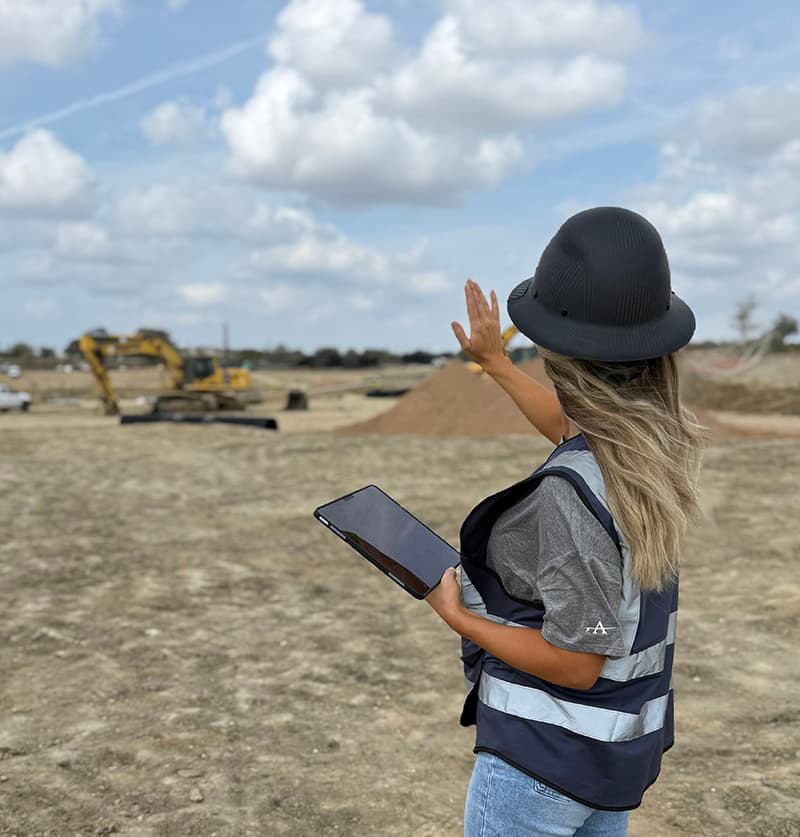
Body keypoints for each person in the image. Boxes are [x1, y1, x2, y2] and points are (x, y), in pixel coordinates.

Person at [425, 207, 710, 836]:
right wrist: (497, 364)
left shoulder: (569, 495)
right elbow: (571, 425)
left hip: (542, 761)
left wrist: (460, 618)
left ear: (557, 356)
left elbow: (576, 659)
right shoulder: (655, 447)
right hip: (611, 756)